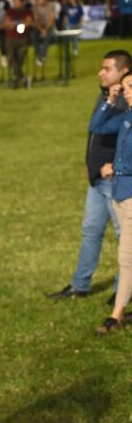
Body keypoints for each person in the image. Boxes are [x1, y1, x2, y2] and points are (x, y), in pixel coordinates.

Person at [48, 50, 131, 302]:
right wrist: (91, 162)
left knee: (124, 237)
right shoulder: (108, 95)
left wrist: (114, 167)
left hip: (115, 180)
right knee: (90, 231)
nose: (100, 72)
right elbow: (95, 128)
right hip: (97, 178)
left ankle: (122, 291)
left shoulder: (127, 101)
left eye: (107, 68)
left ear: (124, 71)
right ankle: (80, 285)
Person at [89, 72, 132, 333]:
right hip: (120, 193)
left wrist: (119, 168)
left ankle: (116, 316)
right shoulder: (127, 116)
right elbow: (97, 126)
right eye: (125, 88)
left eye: (131, 86)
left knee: (126, 257)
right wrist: (110, 100)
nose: (127, 92)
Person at [4, 0, 34, 89]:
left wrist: (15, 24)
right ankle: (23, 78)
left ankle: (17, 79)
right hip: (11, 38)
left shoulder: (27, 12)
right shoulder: (10, 12)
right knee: (11, 58)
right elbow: (7, 23)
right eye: (15, 2)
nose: (16, 4)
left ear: (22, 2)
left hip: (22, 38)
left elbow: (28, 22)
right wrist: (19, 23)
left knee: (20, 59)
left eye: (17, 2)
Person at [31, 0, 57, 73]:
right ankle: (40, 55)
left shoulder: (51, 5)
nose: (39, 1)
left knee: (48, 36)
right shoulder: (35, 7)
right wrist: (41, 30)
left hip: (49, 26)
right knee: (33, 35)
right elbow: (36, 20)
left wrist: (45, 29)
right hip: (39, 26)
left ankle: (42, 56)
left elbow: (51, 19)